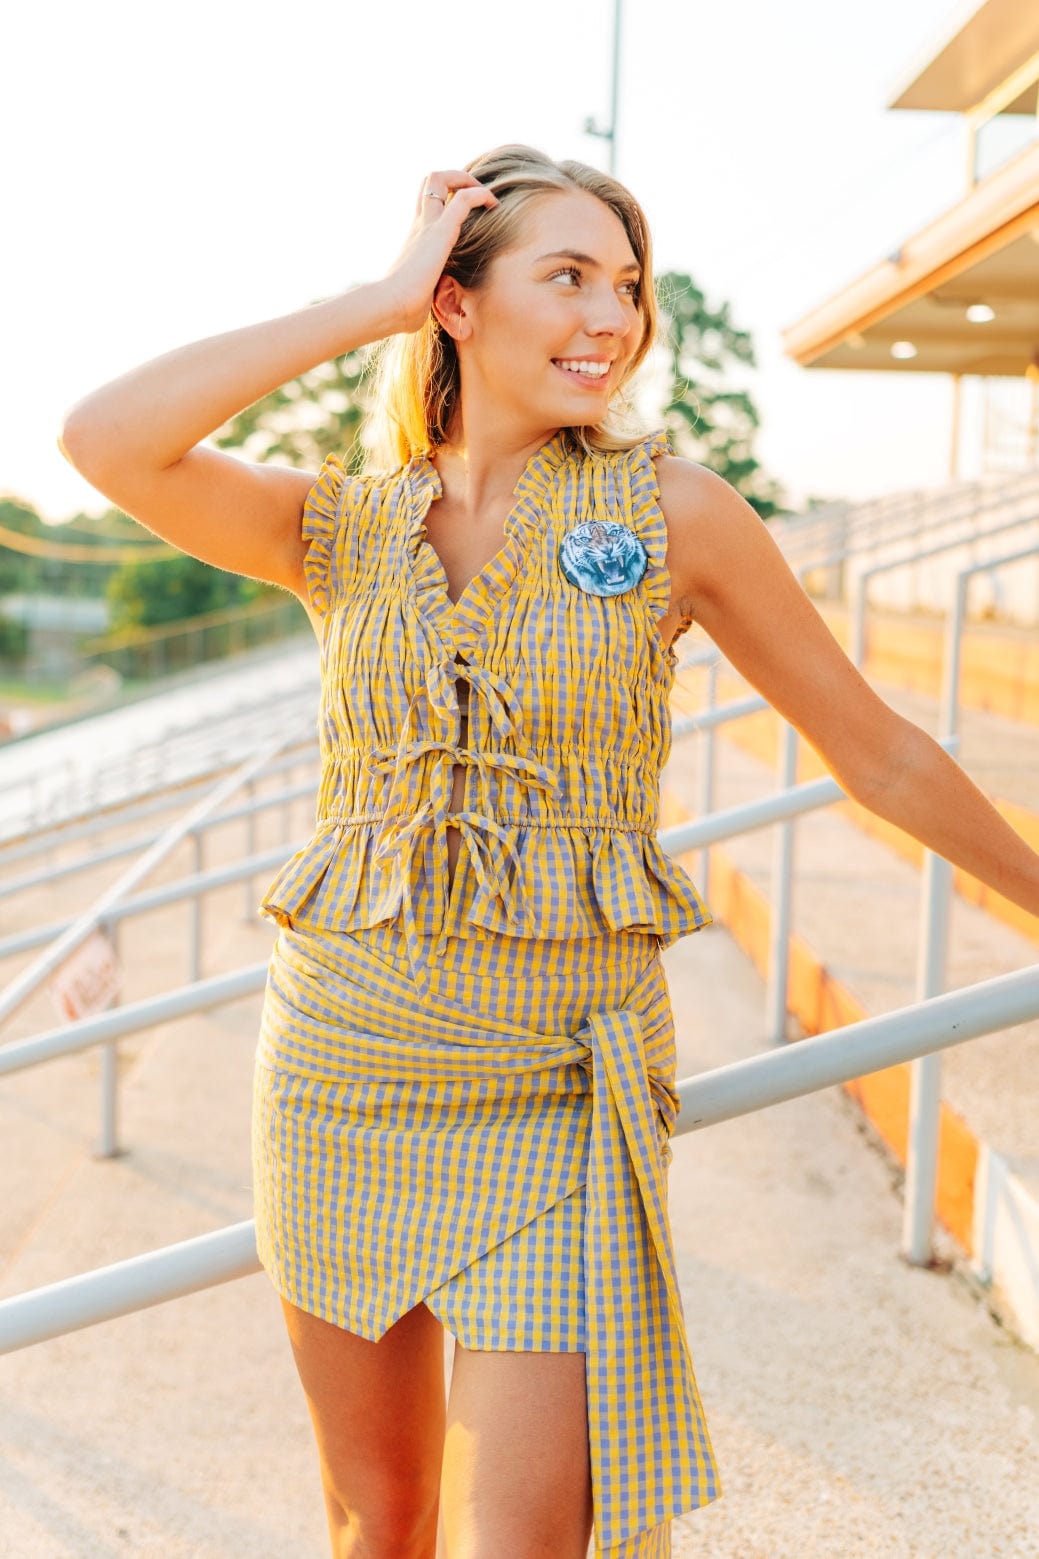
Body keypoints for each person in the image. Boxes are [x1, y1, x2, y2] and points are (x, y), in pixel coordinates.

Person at [59, 143, 1039, 1559]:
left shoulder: (675, 513)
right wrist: (374, 297)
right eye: (568, 276)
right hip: (340, 1069)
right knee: (377, 1521)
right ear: (456, 304)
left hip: (554, 1094)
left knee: (522, 1540)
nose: (612, 319)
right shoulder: (337, 525)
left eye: (629, 287)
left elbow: (875, 747)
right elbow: (105, 439)